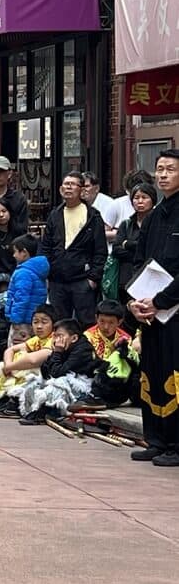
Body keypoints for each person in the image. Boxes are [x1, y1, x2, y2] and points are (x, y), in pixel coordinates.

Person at [129, 150, 179, 465]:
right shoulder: (155, 215)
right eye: (159, 169)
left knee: (174, 373)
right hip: (150, 311)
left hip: (174, 309)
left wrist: (162, 300)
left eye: (170, 170)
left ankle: (175, 443)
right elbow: (139, 261)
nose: (162, 175)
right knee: (152, 370)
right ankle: (157, 439)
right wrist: (135, 300)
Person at [39, 170, 108, 328]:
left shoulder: (93, 216)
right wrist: (46, 273)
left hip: (82, 280)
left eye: (72, 184)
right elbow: (46, 246)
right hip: (57, 280)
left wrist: (93, 279)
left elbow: (100, 251)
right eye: (65, 184)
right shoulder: (55, 215)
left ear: (82, 190)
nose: (68, 188)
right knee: (59, 324)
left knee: (87, 323)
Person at [8, 318, 100, 424]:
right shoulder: (63, 346)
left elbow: (58, 373)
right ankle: (21, 407)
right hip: (65, 381)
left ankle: (48, 412)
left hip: (82, 388)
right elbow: (46, 371)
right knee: (34, 381)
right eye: (55, 336)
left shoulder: (83, 350)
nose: (56, 340)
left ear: (74, 338)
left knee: (58, 383)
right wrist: (54, 354)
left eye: (60, 336)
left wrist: (57, 352)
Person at [113, 181, 157, 304]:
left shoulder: (158, 224)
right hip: (126, 279)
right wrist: (138, 253)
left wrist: (128, 244)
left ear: (153, 200)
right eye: (136, 198)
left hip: (151, 279)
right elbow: (116, 250)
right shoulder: (126, 224)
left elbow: (153, 250)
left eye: (144, 197)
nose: (140, 201)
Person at [3, 234, 49, 329]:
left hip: (22, 321)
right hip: (33, 319)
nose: (14, 255)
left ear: (24, 252)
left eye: (15, 252)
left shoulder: (23, 273)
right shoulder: (37, 269)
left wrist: (15, 320)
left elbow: (21, 298)